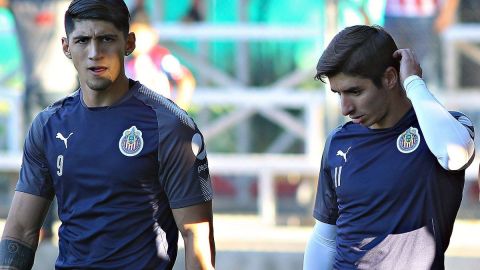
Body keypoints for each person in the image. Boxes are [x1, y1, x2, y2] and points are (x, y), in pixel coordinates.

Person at [0, 0, 215, 269]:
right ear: (66, 47)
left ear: (129, 43)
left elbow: (197, 236)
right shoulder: (48, 126)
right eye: (82, 41)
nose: (94, 52)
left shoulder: (172, 127)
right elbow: (20, 230)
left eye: (106, 39)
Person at [303, 25, 475, 269]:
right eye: (338, 94)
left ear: (391, 78)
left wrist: (414, 83)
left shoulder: (447, 129)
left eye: (355, 91)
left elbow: (454, 154)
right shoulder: (337, 143)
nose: (345, 108)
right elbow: (325, 238)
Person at [125, 2, 196, 110]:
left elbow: (186, 80)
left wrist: (179, 109)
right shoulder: (127, 64)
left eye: (140, 35)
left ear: (152, 36)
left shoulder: (160, 58)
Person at [383, 0, 459, 90]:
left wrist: (448, 12)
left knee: (425, 67)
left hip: (425, 14)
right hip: (393, 13)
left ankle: (426, 101)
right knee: (392, 66)